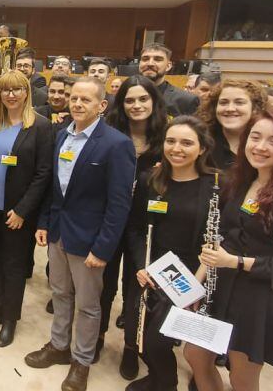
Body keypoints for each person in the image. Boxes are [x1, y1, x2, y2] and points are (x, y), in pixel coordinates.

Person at [186, 110, 273, 391]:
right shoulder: (241, 181)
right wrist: (195, 286)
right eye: (255, 137)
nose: (260, 147)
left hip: (258, 297)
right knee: (195, 355)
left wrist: (236, 262)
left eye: (272, 141)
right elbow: (220, 239)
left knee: (242, 377)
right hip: (221, 285)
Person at [25, 77, 136, 391]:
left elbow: (119, 205)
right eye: (74, 98)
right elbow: (54, 190)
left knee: (88, 305)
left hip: (90, 240)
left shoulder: (117, 144)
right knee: (59, 293)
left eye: (85, 100)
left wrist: (103, 249)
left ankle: (81, 360)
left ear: (101, 106)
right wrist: (44, 223)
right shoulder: (61, 137)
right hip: (58, 233)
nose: (76, 104)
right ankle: (59, 346)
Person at [125, 116, 218, 391]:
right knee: (138, 337)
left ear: (201, 149)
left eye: (187, 143)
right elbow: (135, 229)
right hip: (150, 270)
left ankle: (166, 384)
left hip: (189, 276)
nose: (177, 148)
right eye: (171, 141)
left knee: (158, 341)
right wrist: (141, 266)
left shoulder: (213, 186)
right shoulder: (149, 180)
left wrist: (196, 285)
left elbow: (215, 241)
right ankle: (157, 378)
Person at [0, 71, 53, 347]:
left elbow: (44, 173)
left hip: (17, 212)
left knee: (14, 266)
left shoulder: (40, 126)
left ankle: (10, 319)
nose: (11, 95)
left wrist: (22, 210)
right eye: (6, 90)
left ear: (27, 92)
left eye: (17, 89)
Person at [103, 75, 168, 377]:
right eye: (129, 100)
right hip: (108, 218)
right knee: (102, 283)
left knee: (136, 287)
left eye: (143, 99)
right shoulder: (108, 133)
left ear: (154, 102)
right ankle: (98, 335)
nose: (136, 105)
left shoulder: (167, 138)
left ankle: (131, 346)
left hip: (146, 225)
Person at [197, 79, 267, 172]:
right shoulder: (201, 141)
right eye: (223, 102)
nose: (230, 109)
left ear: (255, 108)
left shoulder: (266, 144)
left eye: (239, 102)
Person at [138, 43, 199, 116]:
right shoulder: (126, 95)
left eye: (157, 59)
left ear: (168, 66)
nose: (150, 63)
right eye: (145, 59)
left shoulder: (186, 100)